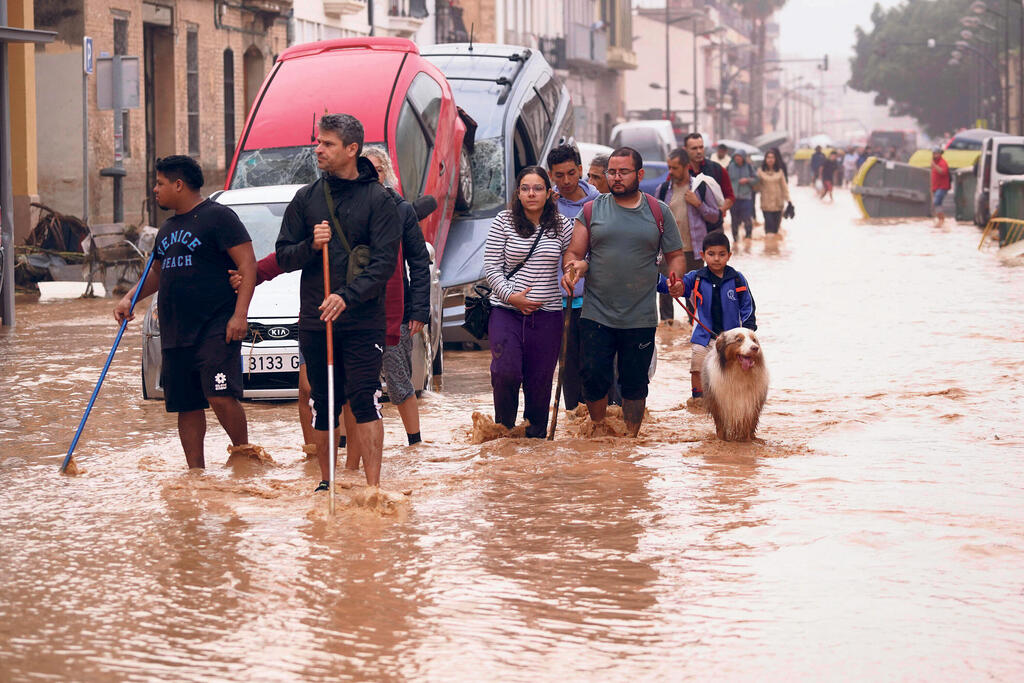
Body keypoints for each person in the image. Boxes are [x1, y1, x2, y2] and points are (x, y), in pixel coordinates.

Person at [276, 113, 400, 493]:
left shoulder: (380, 200)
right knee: (323, 401)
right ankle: (326, 482)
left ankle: (373, 488)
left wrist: (346, 297)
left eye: (327, 144)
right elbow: (283, 256)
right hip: (317, 319)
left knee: (365, 398)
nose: (318, 149)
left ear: (351, 149)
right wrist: (311, 246)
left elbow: (383, 265)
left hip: (363, 319)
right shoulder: (306, 198)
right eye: (318, 142)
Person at [114, 155, 257, 469]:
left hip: (216, 325)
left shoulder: (219, 217)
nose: (155, 189)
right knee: (186, 404)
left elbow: (248, 264)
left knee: (220, 394)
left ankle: (245, 455)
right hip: (177, 330)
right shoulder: (167, 228)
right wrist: (129, 299)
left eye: (160, 183)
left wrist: (240, 314)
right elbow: (156, 272)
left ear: (178, 184)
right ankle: (196, 473)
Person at [561, 147, 687, 437]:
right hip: (596, 312)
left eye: (623, 172)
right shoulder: (592, 210)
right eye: (612, 172)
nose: (616, 178)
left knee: (634, 383)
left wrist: (676, 279)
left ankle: (631, 440)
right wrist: (574, 268)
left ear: (639, 174)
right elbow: (575, 253)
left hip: (640, 315)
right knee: (593, 377)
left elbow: (676, 255)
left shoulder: (658, 211)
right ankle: (598, 430)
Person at [484, 166, 573, 438]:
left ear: (549, 193)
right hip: (505, 311)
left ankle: (534, 442)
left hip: (547, 316)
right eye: (525, 188)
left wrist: (571, 272)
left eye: (537, 188)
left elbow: (576, 257)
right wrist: (512, 297)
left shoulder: (562, 225)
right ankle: (504, 433)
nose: (531, 193)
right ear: (518, 193)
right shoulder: (503, 221)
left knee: (540, 382)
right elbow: (491, 268)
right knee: (505, 372)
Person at [360, 147, 431, 447]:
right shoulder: (350, 206)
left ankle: (415, 444)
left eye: (377, 170)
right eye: (366, 169)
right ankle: (348, 447)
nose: (371, 175)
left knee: (399, 379)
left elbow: (418, 262)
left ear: (386, 172)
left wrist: (419, 310)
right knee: (356, 385)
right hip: (357, 310)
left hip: (396, 310)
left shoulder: (402, 210)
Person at [668, 230, 756, 400]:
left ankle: (732, 400)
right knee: (697, 368)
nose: (716, 258)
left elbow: (748, 306)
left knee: (734, 370)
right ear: (702, 255)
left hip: (732, 340)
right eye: (711, 254)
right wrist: (672, 286)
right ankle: (698, 401)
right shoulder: (696, 278)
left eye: (722, 254)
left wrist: (747, 333)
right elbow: (679, 287)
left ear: (729, 255)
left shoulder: (737, 279)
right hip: (703, 337)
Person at [547, 144, 600, 411]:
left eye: (571, 173)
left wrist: (584, 266)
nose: (566, 181)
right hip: (559, 302)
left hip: (595, 301)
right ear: (551, 175)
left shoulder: (599, 203)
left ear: (580, 170)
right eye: (559, 175)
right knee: (567, 369)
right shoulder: (546, 205)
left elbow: (603, 248)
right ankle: (574, 425)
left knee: (595, 367)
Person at [656, 147, 720, 322]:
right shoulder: (662, 190)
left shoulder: (700, 188)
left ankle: (695, 329)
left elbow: (715, 216)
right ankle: (668, 332)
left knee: (694, 294)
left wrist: (698, 204)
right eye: (669, 167)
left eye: (674, 168)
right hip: (668, 251)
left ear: (686, 167)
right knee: (665, 293)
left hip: (694, 250)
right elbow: (653, 219)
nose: (670, 172)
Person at [684, 133, 733, 231]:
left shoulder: (717, 169)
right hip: (689, 228)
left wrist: (719, 212)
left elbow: (730, 197)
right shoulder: (681, 172)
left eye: (701, 147)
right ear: (685, 150)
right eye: (694, 148)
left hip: (714, 227)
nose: (699, 151)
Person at [758, 148, 790, 249]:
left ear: (775, 159)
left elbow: (784, 187)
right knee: (769, 231)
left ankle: (774, 251)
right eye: (768, 157)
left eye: (772, 157)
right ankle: (768, 251)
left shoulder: (780, 172)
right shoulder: (760, 172)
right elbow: (756, 188)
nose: (770, 160)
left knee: (775, 231)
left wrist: (789, 201)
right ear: (765, 159)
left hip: (778, 205)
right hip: (766, 205)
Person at [726, 149, 757, 242]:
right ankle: (735, 239)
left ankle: (748, 237)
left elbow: (756, 179)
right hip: (733, 198)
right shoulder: (730, 167)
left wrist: (747, 180)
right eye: (736, 157)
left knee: (747, 218)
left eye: (739, 157)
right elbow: (725, 180)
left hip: (746, 197)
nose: (737, 158)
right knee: (734, 220)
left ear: (743, 158)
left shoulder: (749, 167)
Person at [930, 146, 951, 227]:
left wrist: (934, 165)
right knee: (937, 204)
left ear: (940, 154)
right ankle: (941, 220)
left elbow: (943, 172)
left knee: (937, 202)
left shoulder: (942, 162)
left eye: (936, 154)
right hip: (935, 187)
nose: (935, 155)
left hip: (942, 187)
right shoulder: (934, 162)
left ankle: (941, 220)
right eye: (934, 154)